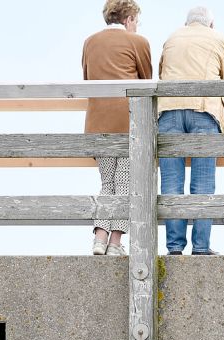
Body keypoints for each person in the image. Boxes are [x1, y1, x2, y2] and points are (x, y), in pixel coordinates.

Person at [156, 6, 224, 255]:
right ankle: (201, 247)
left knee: (171, 183)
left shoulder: (171, 38)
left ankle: (174, 248)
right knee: (203, 182)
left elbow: (160, 73)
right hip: (203, 110)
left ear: (186, 23)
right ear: (211, 24)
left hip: (168, 111)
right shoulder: (218, 38)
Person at [83, 0, 153, 256]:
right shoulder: (139, 42)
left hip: (97, 123)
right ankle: (114, 243)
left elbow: (87, 77)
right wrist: (133, 37)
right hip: (127, 123)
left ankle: (99, 240)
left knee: (107, 183)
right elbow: (146, 82)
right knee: (124, 184)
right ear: (130, 17)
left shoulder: (90, 42)